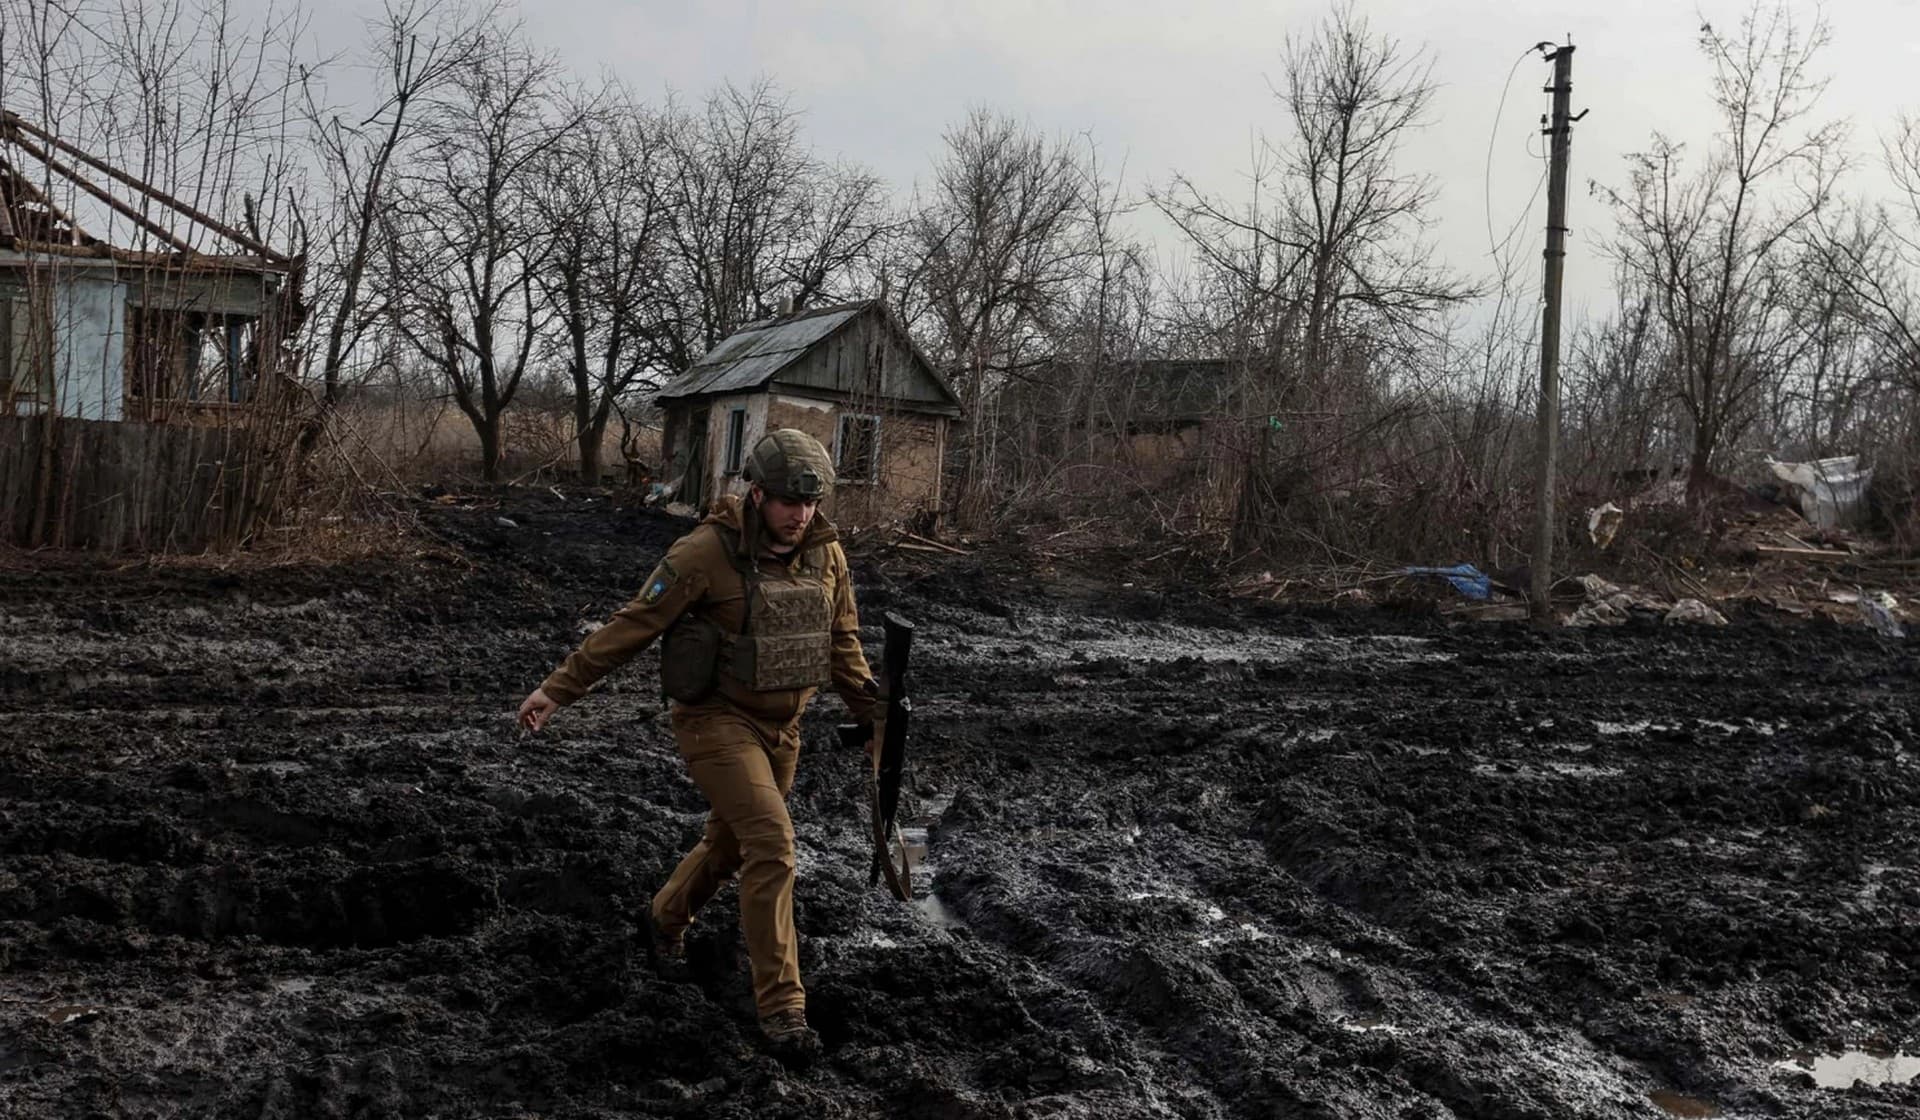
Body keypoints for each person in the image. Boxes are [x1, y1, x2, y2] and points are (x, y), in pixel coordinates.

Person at [516, 428, 876, 1056]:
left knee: (732, 842)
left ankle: (662, 920)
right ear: (757, 494)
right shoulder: (703, 552)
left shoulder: (827, 554)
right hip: (715, 720)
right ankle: (784, 1011)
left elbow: (842, 644)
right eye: (790, 502)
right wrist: (558, 689)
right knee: (772, 843)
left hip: (783, 728)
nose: (801, 515)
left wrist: (876, 712)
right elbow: (636, 624)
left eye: (812, 504)